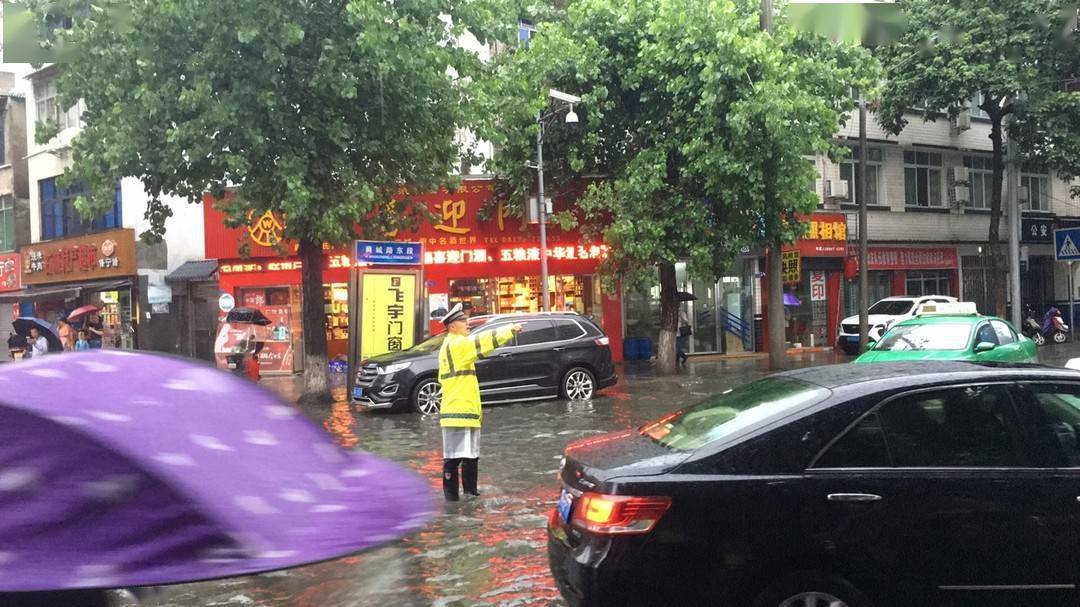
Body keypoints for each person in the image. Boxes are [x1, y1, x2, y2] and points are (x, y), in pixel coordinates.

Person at [438, 303, 522, 501]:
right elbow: (481, 342)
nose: (467, 324)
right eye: (463, 321)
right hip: (458, 411)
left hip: (465, 410)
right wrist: (508, 329)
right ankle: (454, 499)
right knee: (454, 458)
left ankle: (469, 495)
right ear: (452, 326)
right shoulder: (456, 344)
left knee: (470, 456)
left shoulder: (454, 344)